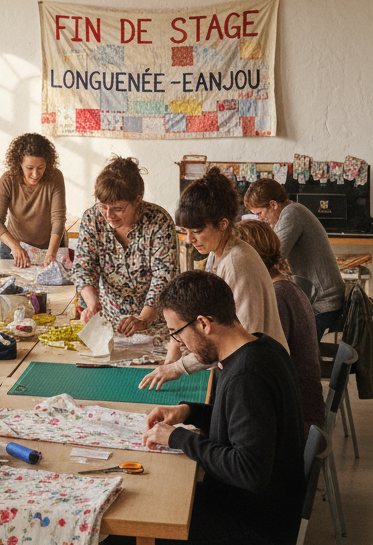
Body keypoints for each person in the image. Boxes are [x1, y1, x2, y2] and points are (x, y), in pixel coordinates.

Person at [102, 271, 307, 545]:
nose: (179, 344)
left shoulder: (247, 375)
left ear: (204, 324)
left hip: (261, 528)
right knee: (149, 527)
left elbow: (249, 470)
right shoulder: (259, 348)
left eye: (178, 332)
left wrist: (179, 440)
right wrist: (189, 413)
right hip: (259, 508)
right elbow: (243, 424)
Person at [139, 167, 287, 390]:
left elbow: (240, 342)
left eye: (197, 231)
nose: (189, 240)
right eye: (185, 231)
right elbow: (195, 309)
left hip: (260, 376)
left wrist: (177, 368)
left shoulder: (237, 262)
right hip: (246, 368)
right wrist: (175, 345)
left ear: (224, 224)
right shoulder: (217, 255)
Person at [234, 219, 326, 429]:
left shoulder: (277, 296)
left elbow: (259, 363)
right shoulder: (283, 286)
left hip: (295, 421)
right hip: (298, 409)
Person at [73, 156, 178, 336]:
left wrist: (143, 319)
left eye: (118, 208)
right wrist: (92, 303)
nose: (108, 214)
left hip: (155, 322)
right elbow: (84, 266)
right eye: (103, 206)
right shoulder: (92, 219)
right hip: (109, 321)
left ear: (137, 200)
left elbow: (163, 277)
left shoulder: (158, 221)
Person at [244, 178, 345, 339]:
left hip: (323, 304)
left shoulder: (292, 213)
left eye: (259, 214)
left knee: (274, 339)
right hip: (317, 299)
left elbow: (273, 256)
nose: (260, 219)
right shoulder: (288, 213)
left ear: (273, 205)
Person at [0, 133, 67, 269]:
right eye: (29, 168)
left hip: (49, 248)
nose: (35, 174)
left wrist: (51, 253)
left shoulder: (55, 178)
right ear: (19, 163)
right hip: (14, 250)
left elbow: (58, 219)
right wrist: (15, 247)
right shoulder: (8, 180)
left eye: (41, 167)